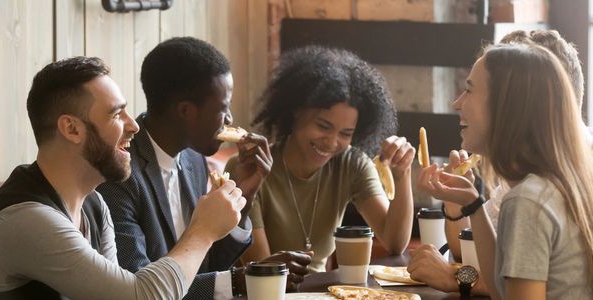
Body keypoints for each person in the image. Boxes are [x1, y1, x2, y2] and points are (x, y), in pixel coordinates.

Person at [0, 56, 245, 299]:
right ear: (72, 129)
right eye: (116, 114)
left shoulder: (94, 205)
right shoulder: (26, 218)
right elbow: (139, 296)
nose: (133, 125)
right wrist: (202, 232)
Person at [96, 37, 311, 300]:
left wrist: (243, 196)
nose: (230, 119)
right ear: (186, 111)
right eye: (223, 108)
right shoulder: (120, 174)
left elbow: (207, 266)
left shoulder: (193, 160)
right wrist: (241, 280)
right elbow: (141, 289)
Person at [408, 29, 592, 297]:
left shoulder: (529, 201)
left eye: (469, 90)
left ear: (507, 108)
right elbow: (501, 289)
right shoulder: (557, 184)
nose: (457, 103)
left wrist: (456, 276)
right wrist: (473, 205)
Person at [226, 46, 415, 272]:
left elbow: (394, 243)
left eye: (345, 134)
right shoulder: (249, 168)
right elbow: (262, 273)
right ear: (296, 111)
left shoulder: (351, 164)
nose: (332, 142)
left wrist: (402, 174)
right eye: (323, 126)